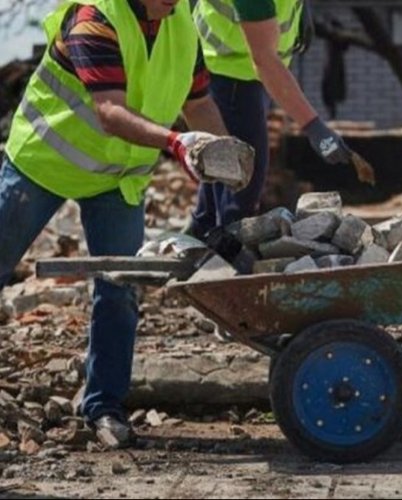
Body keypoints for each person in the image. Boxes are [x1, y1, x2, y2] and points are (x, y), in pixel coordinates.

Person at [0, 0, 236, 448]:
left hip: (117, 179)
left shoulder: (180, 22)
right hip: (44, 164)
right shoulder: (94, 19)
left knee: (120, 291)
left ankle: (104, 408)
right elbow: (110, 112)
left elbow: (199, 101)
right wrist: (176, 142)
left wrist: (226, 158)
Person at [190, 0, 354, 237]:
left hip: (245, 69)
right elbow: (265, 60)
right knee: (244, 175)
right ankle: (227, 253)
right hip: (229, 70)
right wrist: (313, 126)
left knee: (225, 167)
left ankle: (202, 234)